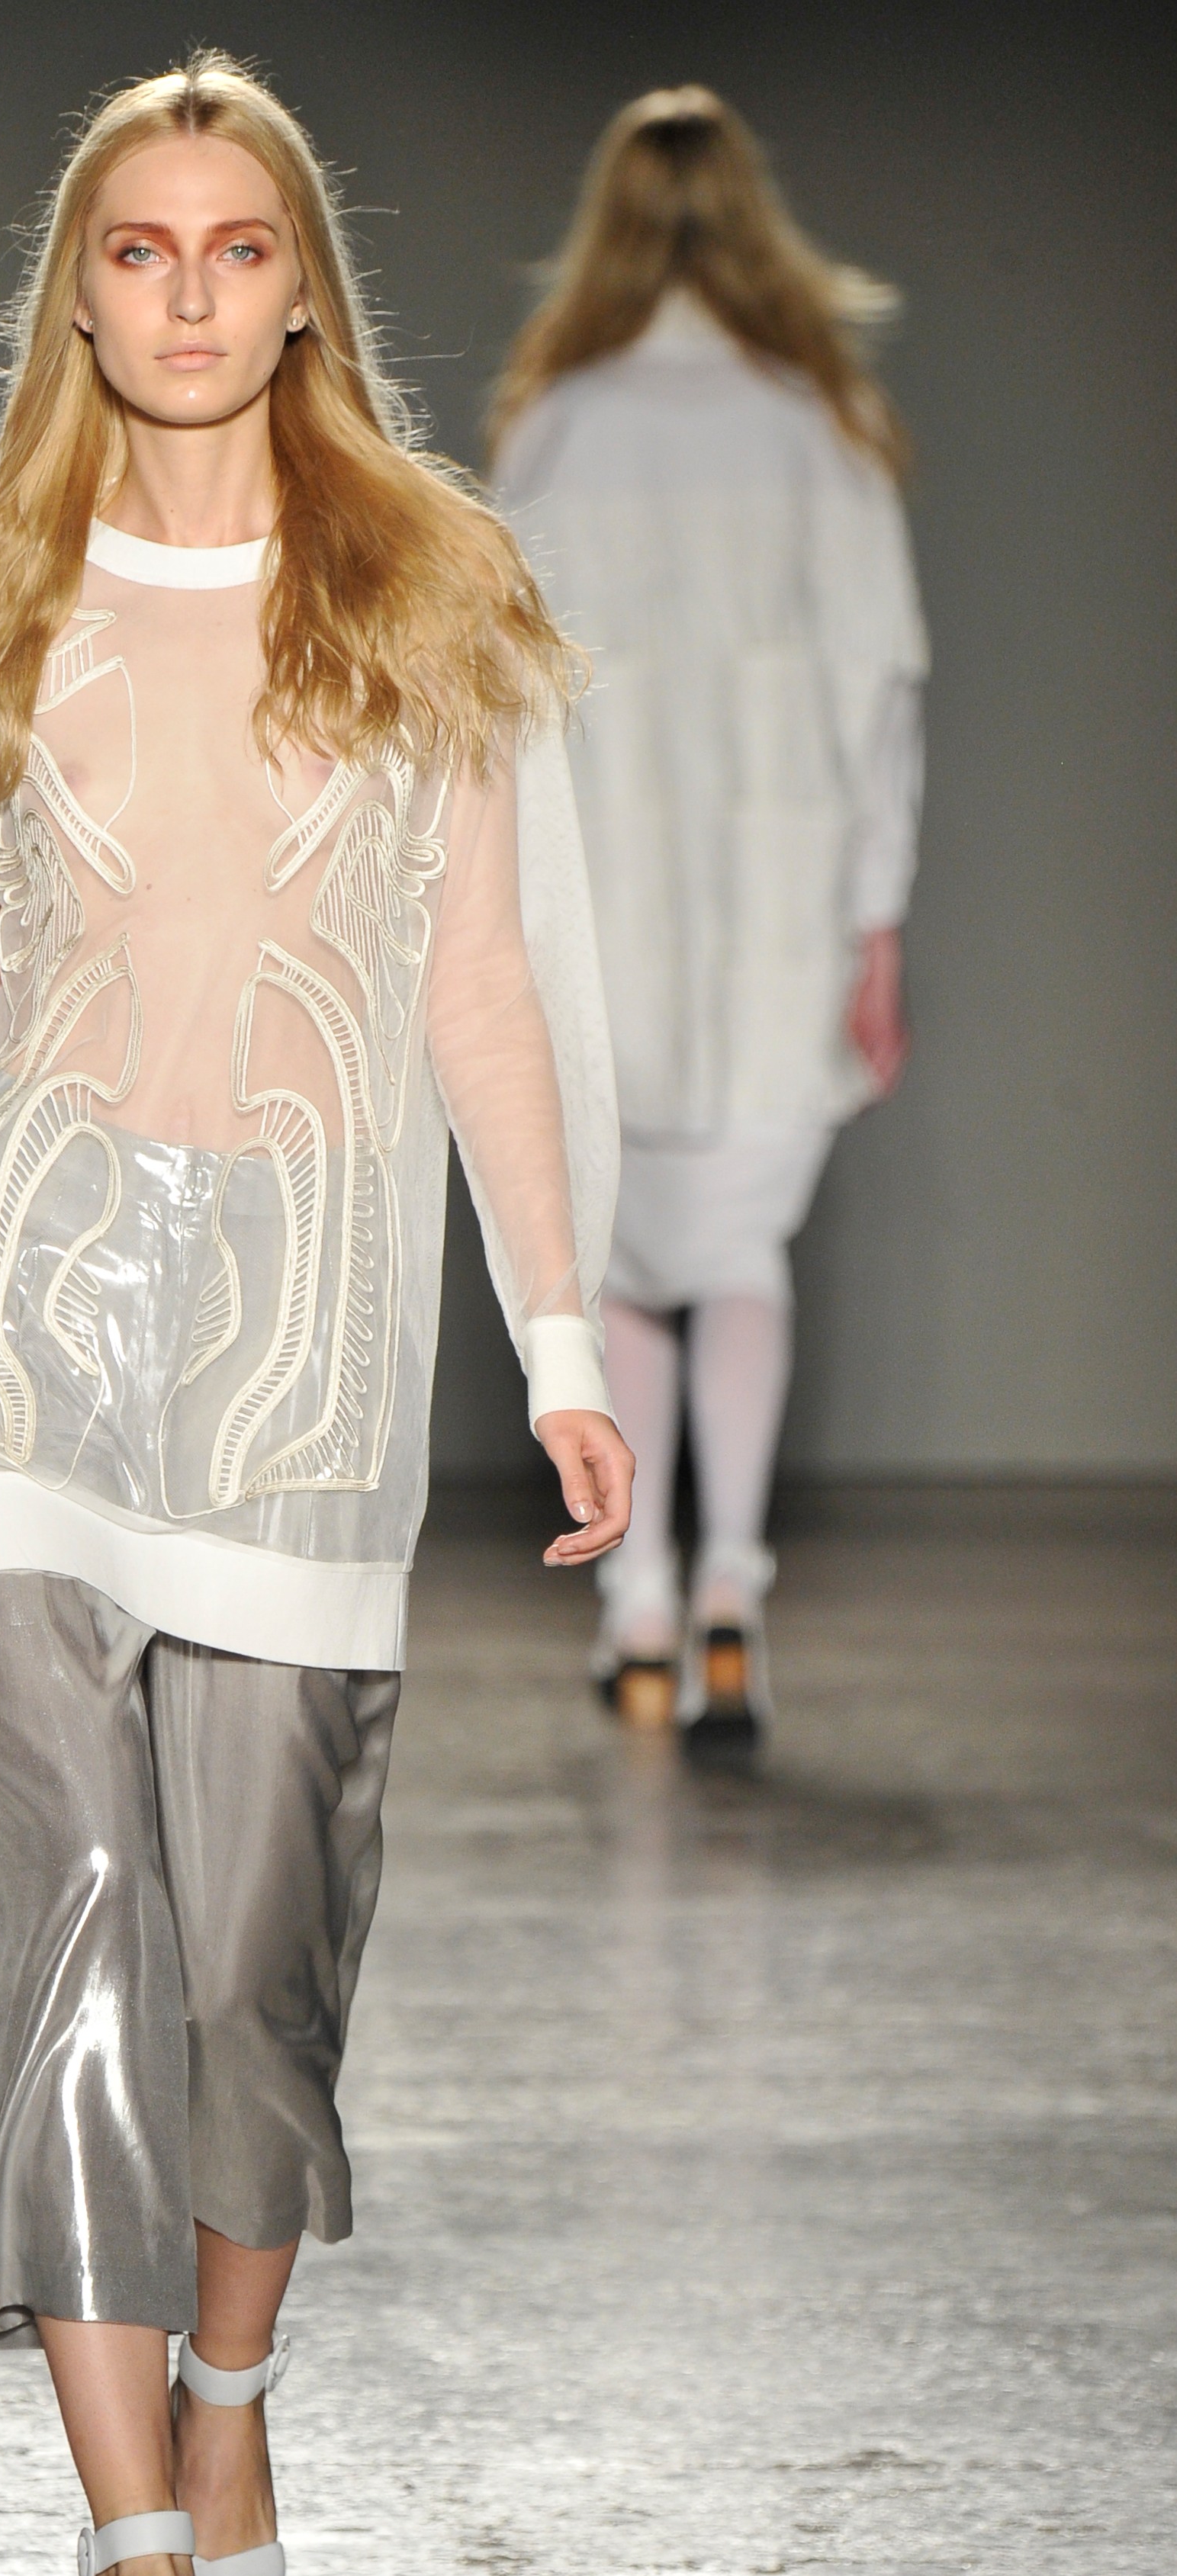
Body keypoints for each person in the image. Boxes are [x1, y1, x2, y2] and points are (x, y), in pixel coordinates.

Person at [0, 53, 630, 2576]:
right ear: (78, 296)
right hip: (12, 1328)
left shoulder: (427, 584)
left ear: (301, 289)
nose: (185, 291)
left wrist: (556, 1333)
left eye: (233, 246)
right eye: (137, 248)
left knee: (250, 1965)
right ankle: (133, 2574)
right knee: (72, 1908)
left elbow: (483, 991)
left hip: (301, 1329)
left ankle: (227, 2395)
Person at [490, 86, 928, 1755]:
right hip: (778, 899)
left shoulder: (556, 426)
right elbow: (880, 689)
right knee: (740, 1250)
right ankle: (733, 1584)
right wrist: (874, 919)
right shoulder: (820, 422)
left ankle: (638, 1605)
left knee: (616, 1253)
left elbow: (501, 699)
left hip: (601, 899)